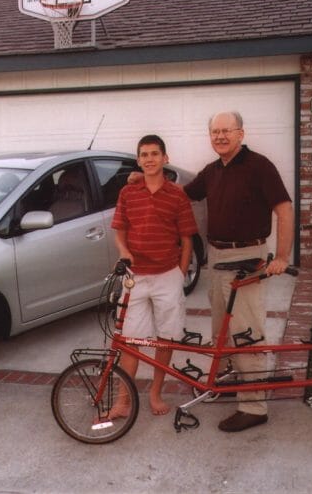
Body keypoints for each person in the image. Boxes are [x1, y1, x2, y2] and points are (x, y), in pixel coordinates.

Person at [183, 111, 294, 432]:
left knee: (246, 331)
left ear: (241, 134)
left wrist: (283, 255)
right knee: (222, 327)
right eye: (214, 132)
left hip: (248, 256)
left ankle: (254, 406)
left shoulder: (260, 166)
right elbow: (184, 194)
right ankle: (231, 382)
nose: (220, 137)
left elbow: (284, 209)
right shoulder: (214, 170)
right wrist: (145, 178)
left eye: (226, 131)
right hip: (217, 255)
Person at [110, 134, 198, 417]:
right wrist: (124, 251)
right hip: (136, 277)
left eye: (154, 154)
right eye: (144, 155)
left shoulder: (177, 195)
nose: (149, 159)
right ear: (139, 160)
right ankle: (123, 400)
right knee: (131, 340)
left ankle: (156, 393)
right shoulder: (128, 193)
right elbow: (120, 232)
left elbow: (187, 240)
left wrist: (180, 274)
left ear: (165, 158)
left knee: (166, 338)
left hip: (167, 276)